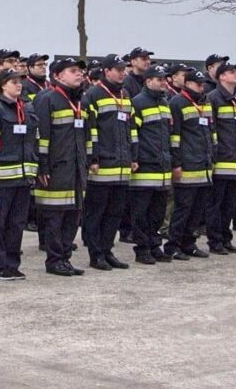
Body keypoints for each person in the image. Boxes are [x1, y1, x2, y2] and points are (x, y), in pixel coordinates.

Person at [32, 56, 90, 276]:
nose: (79, 74)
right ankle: (54, 260)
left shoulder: (78, 100)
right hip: (55, 169)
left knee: (72, 216)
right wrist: (43, 167)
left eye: (80, 71)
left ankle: (65, 258)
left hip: (75, 169)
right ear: (57, 76)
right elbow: (41, 137)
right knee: (55, 218)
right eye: (73, 70)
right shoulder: (48, 99)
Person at [0, 68, 35, 279]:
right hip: (1, 177)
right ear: (3, 85)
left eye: (19, 81)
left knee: (17, 223)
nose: (18, 85)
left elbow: (33, 140)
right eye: (13, 82)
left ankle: (12, 262)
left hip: (23, 176)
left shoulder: (27, 108)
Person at [81, 54, 134, 270]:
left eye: (123, 69)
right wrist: (92, 157)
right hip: (102, 165)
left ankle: (107, 250)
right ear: (106, 71)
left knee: (115, 213)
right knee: (97, 212)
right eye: (117, 69)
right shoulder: (93, 95)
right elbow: (89, 130)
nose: (122, 72)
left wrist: (133, 156)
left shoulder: (125, 94)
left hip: (122, 165)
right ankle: (96, 255)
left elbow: (130, 129)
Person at [127, 64, 174, 264]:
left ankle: (155, 246)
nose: (164, 82)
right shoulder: (138, 102)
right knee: (141, 213)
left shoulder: (164, 102)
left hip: (162, 167)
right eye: (160, 79)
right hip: (145, 167)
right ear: (148, 81)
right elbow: (132, 134)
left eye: (165, 79)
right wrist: (135, 158)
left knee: (157, 212)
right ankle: (142, 248)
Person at [166, 65, 213, 259]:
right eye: (196, 83)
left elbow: (211, 132)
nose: (201, 87)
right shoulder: (178, 102)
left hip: (203, 165)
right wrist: (177, 164)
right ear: (187, 84)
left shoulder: (206, 102)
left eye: (202, 84)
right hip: (187, 165)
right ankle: (173, 245)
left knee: (197, 210)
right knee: (182, 209)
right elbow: (174, 137)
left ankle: (189, 243)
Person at [205, 62, 236, 254]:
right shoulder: (213, 98)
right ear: (222, 77)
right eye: (231, 72)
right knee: (217, 204)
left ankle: (225, 238)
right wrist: (213, 157)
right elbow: (210, 130)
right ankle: (215, 241)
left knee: (230, 204)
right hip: (222, 160)